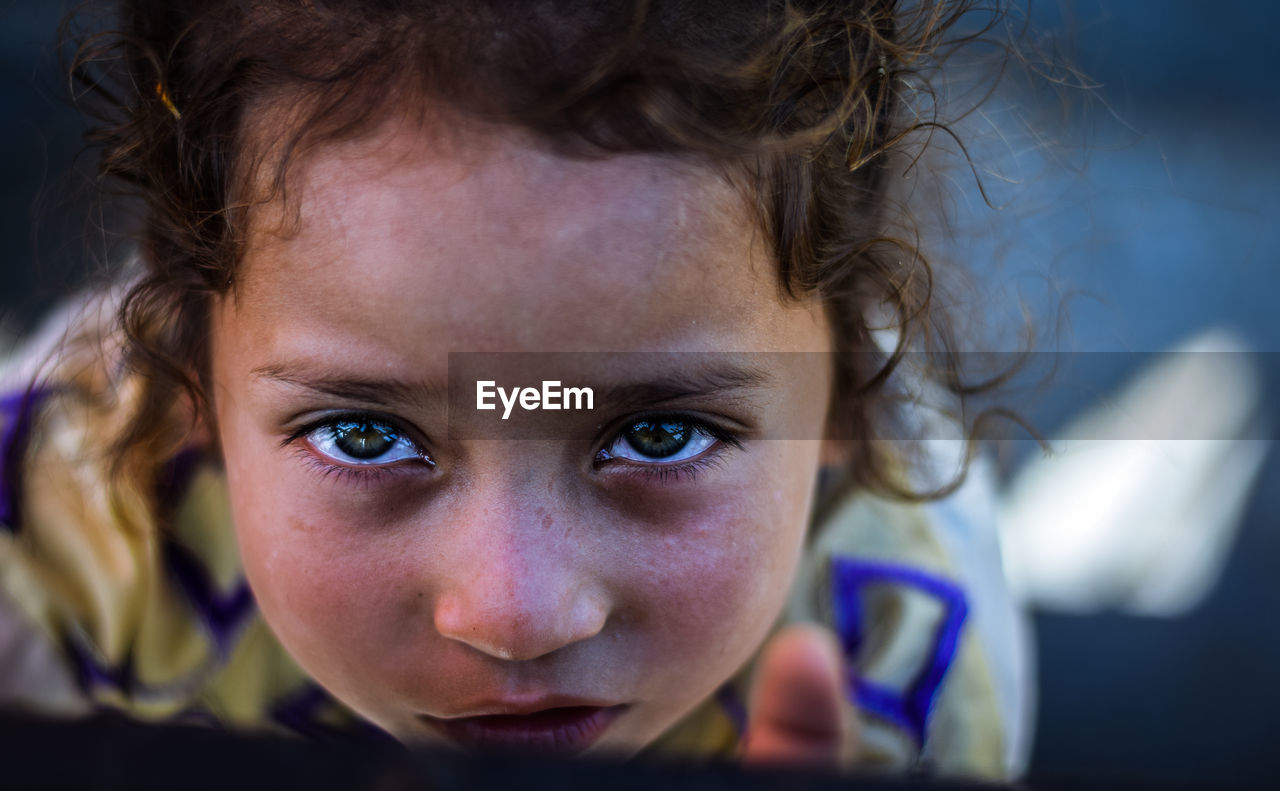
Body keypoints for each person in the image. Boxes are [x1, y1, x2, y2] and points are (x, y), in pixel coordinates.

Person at [0, 0, 1029, 780]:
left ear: (845, 401)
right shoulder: (47, 555)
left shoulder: (901, 668)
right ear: (193, 378)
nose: (514, 613)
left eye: (661, 432)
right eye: (363, 435)